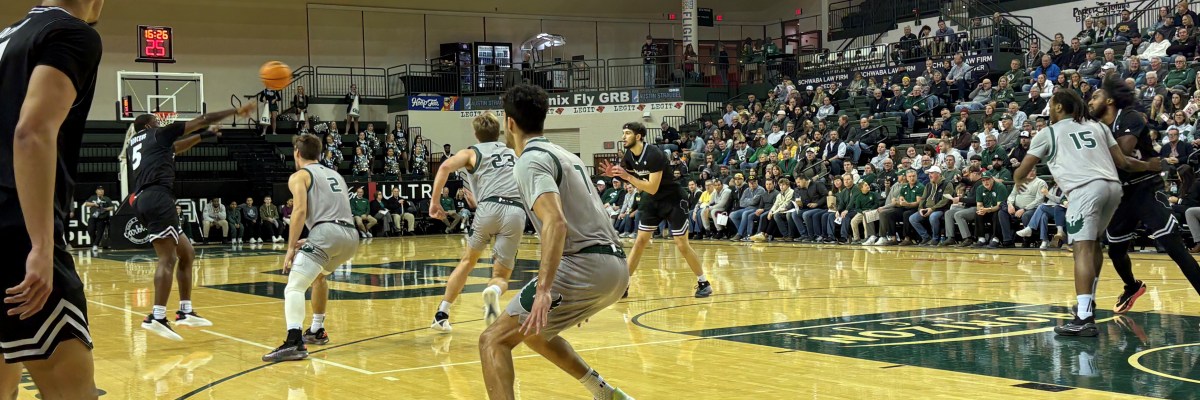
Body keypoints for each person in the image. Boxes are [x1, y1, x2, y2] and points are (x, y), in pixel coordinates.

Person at [478, 84, 634, 400]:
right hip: (615, 266)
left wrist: (545, 290)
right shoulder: (566, 155)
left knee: (492, 340)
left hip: (585, 264)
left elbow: (556, 222)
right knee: (534, 331)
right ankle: (605, 393)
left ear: (509, 123)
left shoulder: (529, 160)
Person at [0, 2, 104, 396]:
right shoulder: (70, 32)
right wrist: (41, 245)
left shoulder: (7, 37)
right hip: (16, 228)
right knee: (73, 391)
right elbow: (32, 132)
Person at [1013, 89, 1154, 336]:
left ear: (1059, 107)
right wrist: (1150, 165)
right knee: (1094, 245)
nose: (1049, 110)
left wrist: (1017, 179)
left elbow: (1023, 170)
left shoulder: (1049, 133)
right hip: (1112, 189)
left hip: (1084, 191)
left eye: (1050, 105)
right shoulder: (1097, 126)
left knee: (1082, 251)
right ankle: (1088, 304)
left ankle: (1084, 317)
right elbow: (1124, 162)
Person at [126, 102, 254, 341]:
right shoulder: (158, 134)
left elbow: (176, 147)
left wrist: (204, 136)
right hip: (157, 196)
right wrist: (235, 112)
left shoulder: (136, 144)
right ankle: (156, 316)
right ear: (149, 125)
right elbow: (202, 118)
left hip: (144, 199)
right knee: (168, 258)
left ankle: (185, 311)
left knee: (187, 253)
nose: (160, 123)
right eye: (157, 121)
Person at [1089, 75, 1200, 316]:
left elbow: (1122, 156)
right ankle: (1132, 286)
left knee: (1174, 248)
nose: (1090, 101)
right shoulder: (1096, 127)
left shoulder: (1129, 117)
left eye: (1095, 96)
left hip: (1146, 188)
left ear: (1109, 100)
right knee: (1116, 251)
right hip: (1121, 194)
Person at [261, 134, 359, 362]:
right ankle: (316, 329)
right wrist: (316, 237)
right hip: (350, 236)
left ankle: (294, 341)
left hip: (326, 234)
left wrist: (290, 247)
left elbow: (299, 211)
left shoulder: (300, 176)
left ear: (296, 152)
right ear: (319, 153)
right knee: (319, 278)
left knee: (294, 287)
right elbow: (337, 211)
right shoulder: (336, 175)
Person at [428, 112, 526, 332]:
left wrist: (435, 202)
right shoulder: (514, 152)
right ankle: (493, 292)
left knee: (467, 262)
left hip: (488, 208)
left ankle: (442, 314)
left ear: (475, 133)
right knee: (501, 276)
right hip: (515, 210)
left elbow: (444, 167)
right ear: (498, 132)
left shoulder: (471, 152)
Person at [601, 122, 712, 298]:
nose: (623, 137)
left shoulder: (654, 154)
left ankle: (703, 282)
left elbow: (652, 187)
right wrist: (614, 175)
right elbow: (628, 177)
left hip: (673, 200)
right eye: (623, 133)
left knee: (681, 244)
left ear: (638, 136)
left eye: (627, 133)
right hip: (652, 201)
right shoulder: (629, 156)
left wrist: (627, 176)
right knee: (640, 241)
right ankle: (624, 285)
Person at [83, 185, 113, 251]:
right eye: (99, 190)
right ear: (96, 191)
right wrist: (94, 204)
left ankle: (95, 245)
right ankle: (95, 242)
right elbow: (86, 204)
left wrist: (105, 209)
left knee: (100, 232)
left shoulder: (107, 198)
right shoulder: (93, 197)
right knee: (90, 231)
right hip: (93, 217)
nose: (101, 191)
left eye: (102, 190)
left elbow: (112, 207)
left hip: (102, 217)